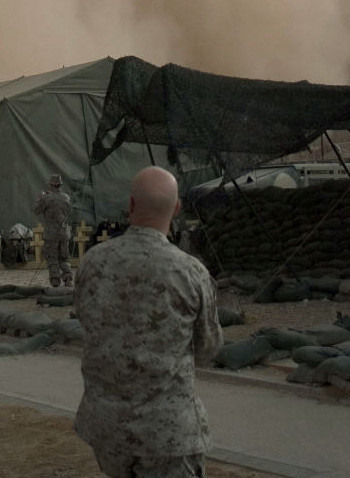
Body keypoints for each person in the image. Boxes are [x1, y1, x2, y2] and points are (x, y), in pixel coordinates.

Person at [74, 166, 224, 478]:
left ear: (130, 205)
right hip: (167, 437)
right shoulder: (190, 273)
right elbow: (208, 349)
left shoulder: (92, 263)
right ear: (177, 209)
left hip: (107, 430)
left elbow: (87, 322)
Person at [34, 173, 72, 287]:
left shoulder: (47, 198)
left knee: (52, 258)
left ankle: (55, 280)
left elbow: (37, 211)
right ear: (60, 185)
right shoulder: (66, 197)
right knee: (64, 257)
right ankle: (68, 278)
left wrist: (40, 198)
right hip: (64, 232)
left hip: (51, 234)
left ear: (51, 185)